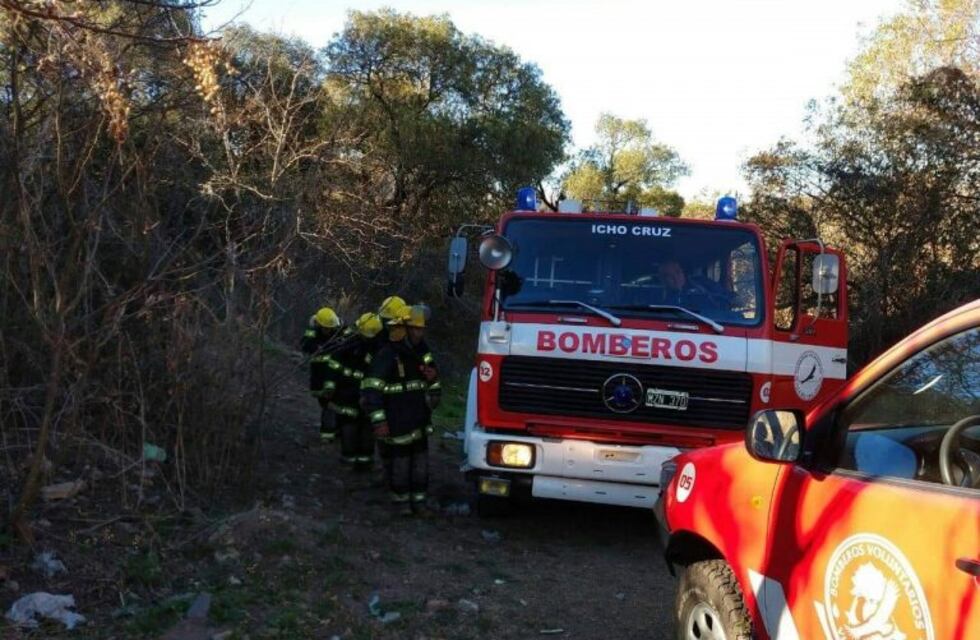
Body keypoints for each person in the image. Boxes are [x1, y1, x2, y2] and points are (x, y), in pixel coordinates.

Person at [361, 301, 433, 516]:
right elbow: (371, 390)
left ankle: (419, 504)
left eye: (421, 329)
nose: (419, 333)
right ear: (405, 328)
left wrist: (433, 379)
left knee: (420, 466)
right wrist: (379, 421)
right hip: (397, 421)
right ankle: (401, 504)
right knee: (400, 465)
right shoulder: (386, 355)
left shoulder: (420, 352)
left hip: (418, 420)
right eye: (415, 329)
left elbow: (430, 377)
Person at [330, 312, 383, 470]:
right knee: (351, 425)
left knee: (363, 427)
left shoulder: (377, 348)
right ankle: (352, 460)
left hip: (362, 394)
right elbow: (335, 363)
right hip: (350, 392)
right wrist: (332, 384)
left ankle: (363, 461)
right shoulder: (352, 343)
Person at [302, 307, 344, 443]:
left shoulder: (339, 330)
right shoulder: (312, 332)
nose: (328, 330)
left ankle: (334, 432)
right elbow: (305, 344)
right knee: (327, 405)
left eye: (329, 328)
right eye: (325, 328)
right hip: (319, 376)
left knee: (335, 404)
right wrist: (318, 347)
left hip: (336, 377)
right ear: (319, 325)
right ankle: (329, 434)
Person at [657, 260, 730, 309]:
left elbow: (729, 297)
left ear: (683, 271)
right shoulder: (657, 296)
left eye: (677, 272)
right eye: (669, 276)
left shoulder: (703, 283)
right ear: (663, 280)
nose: (676, 278)